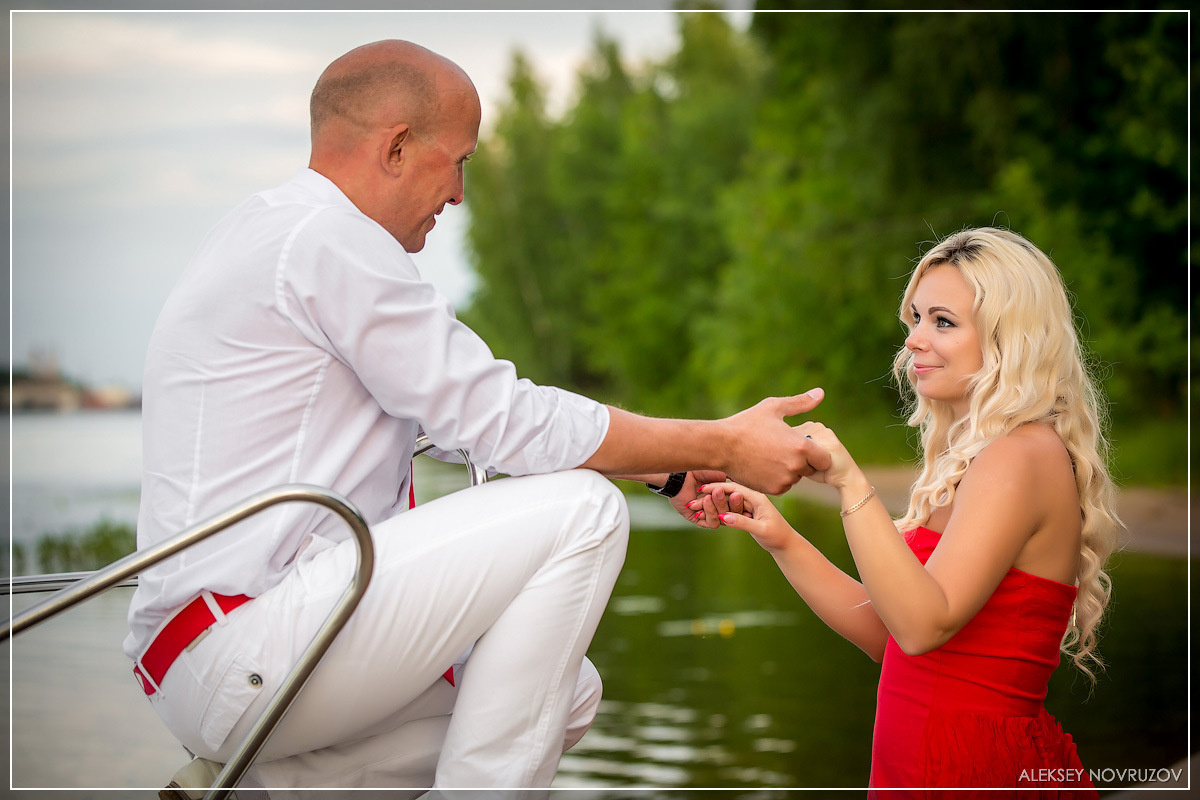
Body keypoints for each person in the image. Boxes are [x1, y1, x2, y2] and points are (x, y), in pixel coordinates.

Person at [128, 39, 830, 797]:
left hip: (212, 656)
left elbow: (445, 424)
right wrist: (725, 441)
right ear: (397, 147)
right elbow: (499, 418)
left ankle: (265, 789)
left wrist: (665, 468)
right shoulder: (331, 240)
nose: (460, 195)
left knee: (565, 693)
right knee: (583, 511)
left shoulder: (269, 231)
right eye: (458, 162)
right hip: (247, 642)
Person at [695, 227, 1121, 795]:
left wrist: (850, 482)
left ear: (1009, 337)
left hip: (970, 771)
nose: (915, 339)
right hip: (926, 762)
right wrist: (782, 538)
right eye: (916, 318)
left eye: (942, 322)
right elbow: (889, 634)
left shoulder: (1020, 455)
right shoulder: (980, 456)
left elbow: (923, 626)